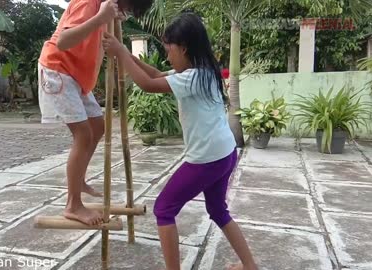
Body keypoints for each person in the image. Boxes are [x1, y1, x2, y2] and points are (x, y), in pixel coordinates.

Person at [102, 12, 258, 270]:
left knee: (164, 208)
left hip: (206, 159)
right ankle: (250, 266)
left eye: (169, 49)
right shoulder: (204, 72)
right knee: (218, 211)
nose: (167, 56)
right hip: (225, 153)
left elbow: (148, 85)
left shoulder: (191, 78)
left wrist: (119, 53)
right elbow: (153, 73)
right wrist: (126, 54)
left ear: (183, 48)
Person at [37, 0, 153, 226]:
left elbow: (113, 47)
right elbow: (63, 41)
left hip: (77, 77)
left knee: (98, 127)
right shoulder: (90, 3)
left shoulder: (108, 9)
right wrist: (100, 18)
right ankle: (73, 205)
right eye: (128, 8)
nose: (126, 13)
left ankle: (78, 181)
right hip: (58, 70)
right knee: (83, 134)